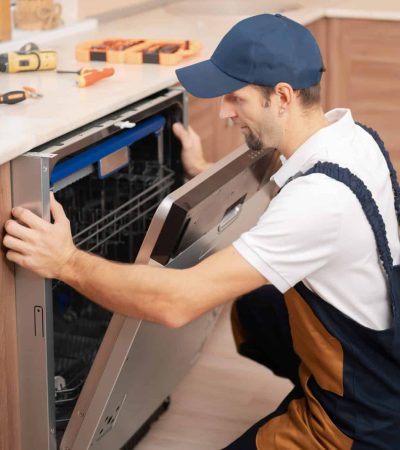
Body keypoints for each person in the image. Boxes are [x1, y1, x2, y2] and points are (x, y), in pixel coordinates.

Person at [4, 13, 400, 449]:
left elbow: (177, 302)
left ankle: (333, 412)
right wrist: (202, 172)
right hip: (384, 362)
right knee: (257, 301)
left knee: (248, 294)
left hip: (365, 419)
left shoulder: (318, 202)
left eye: (235, 99)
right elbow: (280, 209)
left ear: (281, 97)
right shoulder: (352, 139)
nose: (225, 112)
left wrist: (66, 261)